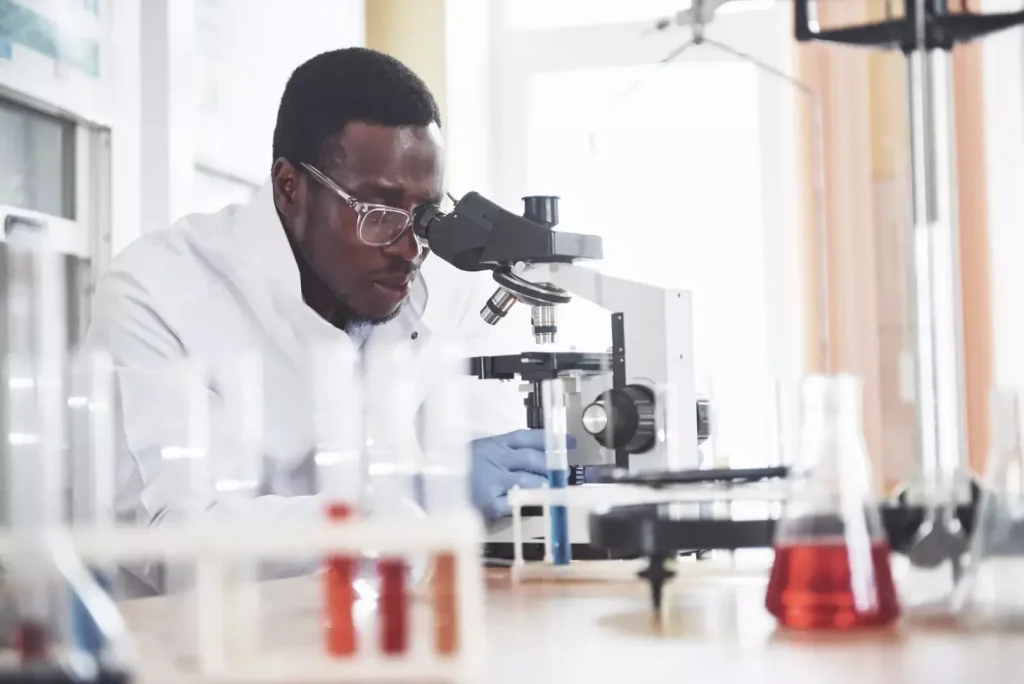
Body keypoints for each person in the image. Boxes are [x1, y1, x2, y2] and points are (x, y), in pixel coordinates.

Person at [85, 47, 568, 597]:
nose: (410, 247)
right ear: (290, 187)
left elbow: (494, 491)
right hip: (197, 652)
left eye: (427, 215)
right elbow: (173, 542)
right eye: (379, 212)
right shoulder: (157, 292)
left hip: (366, 636)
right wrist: (403, 503)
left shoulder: (441, 285)